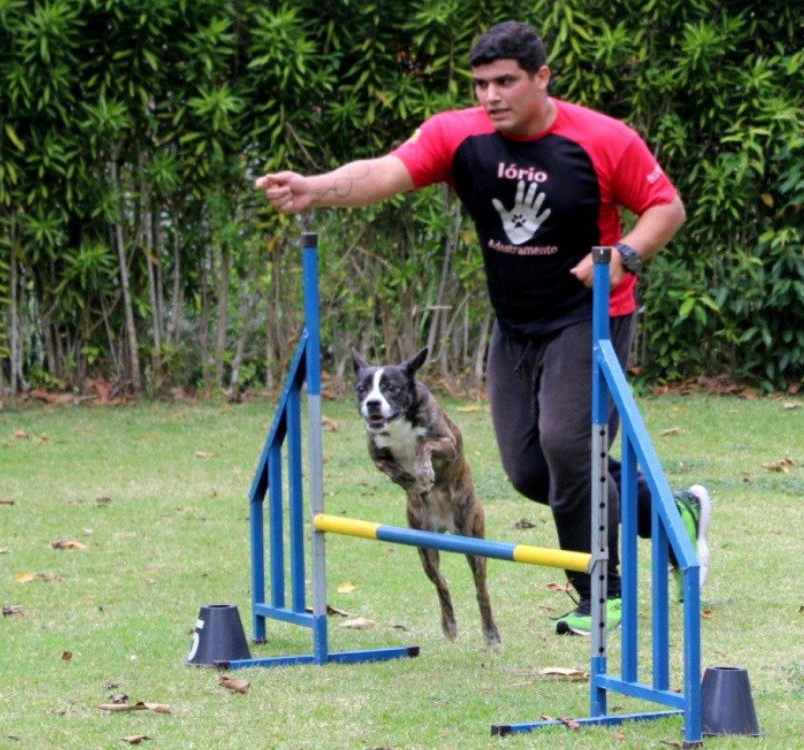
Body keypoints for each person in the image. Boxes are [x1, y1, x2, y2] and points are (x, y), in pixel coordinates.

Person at [255, 20, 710, 636]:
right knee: (531, 472)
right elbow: (387, 171)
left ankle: (601, 596)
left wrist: (622, 254)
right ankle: (672, 516)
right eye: (480, 84)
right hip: (515, 325)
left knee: (568, 449)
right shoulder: (459, 135)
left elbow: (666, 207)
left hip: (589, 315)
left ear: (542, 77)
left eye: (505, 82)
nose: (491, 96)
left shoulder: (603, 139)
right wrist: (314, 188)